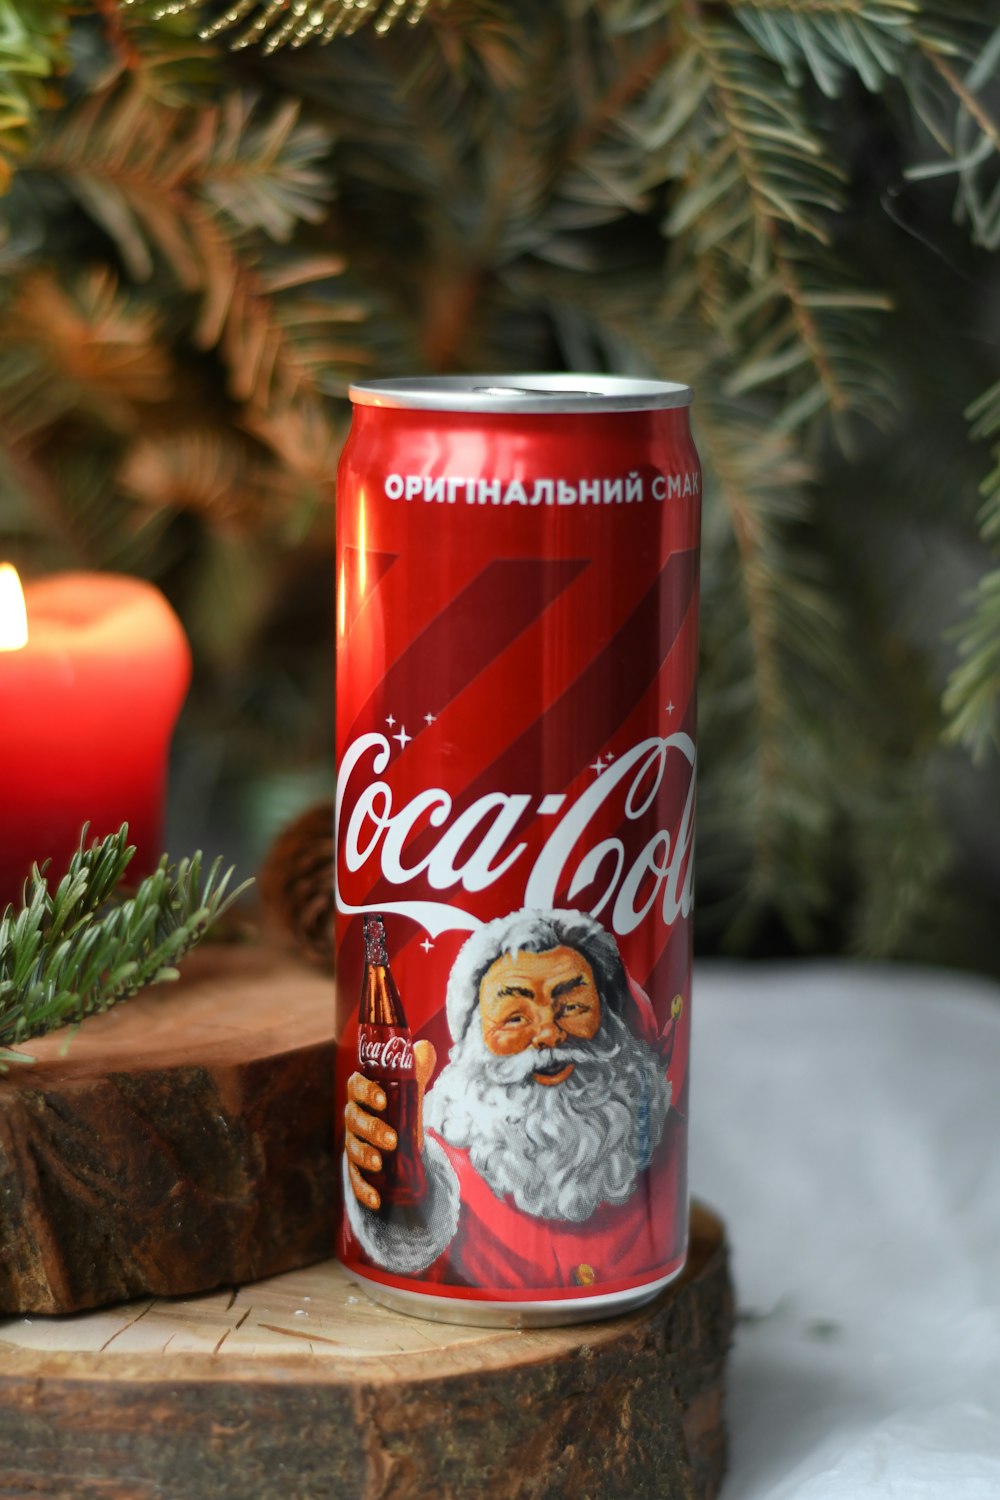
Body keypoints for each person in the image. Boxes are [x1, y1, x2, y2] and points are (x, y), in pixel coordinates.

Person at [343, 908, 685, 1291]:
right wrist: (384, 1168)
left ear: (611, 1019)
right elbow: (410, 1242)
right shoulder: (438, 1159)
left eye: (572, 1007)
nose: (548, 1035)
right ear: (475, 1039)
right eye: (514, 1016)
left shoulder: (667, 1138)